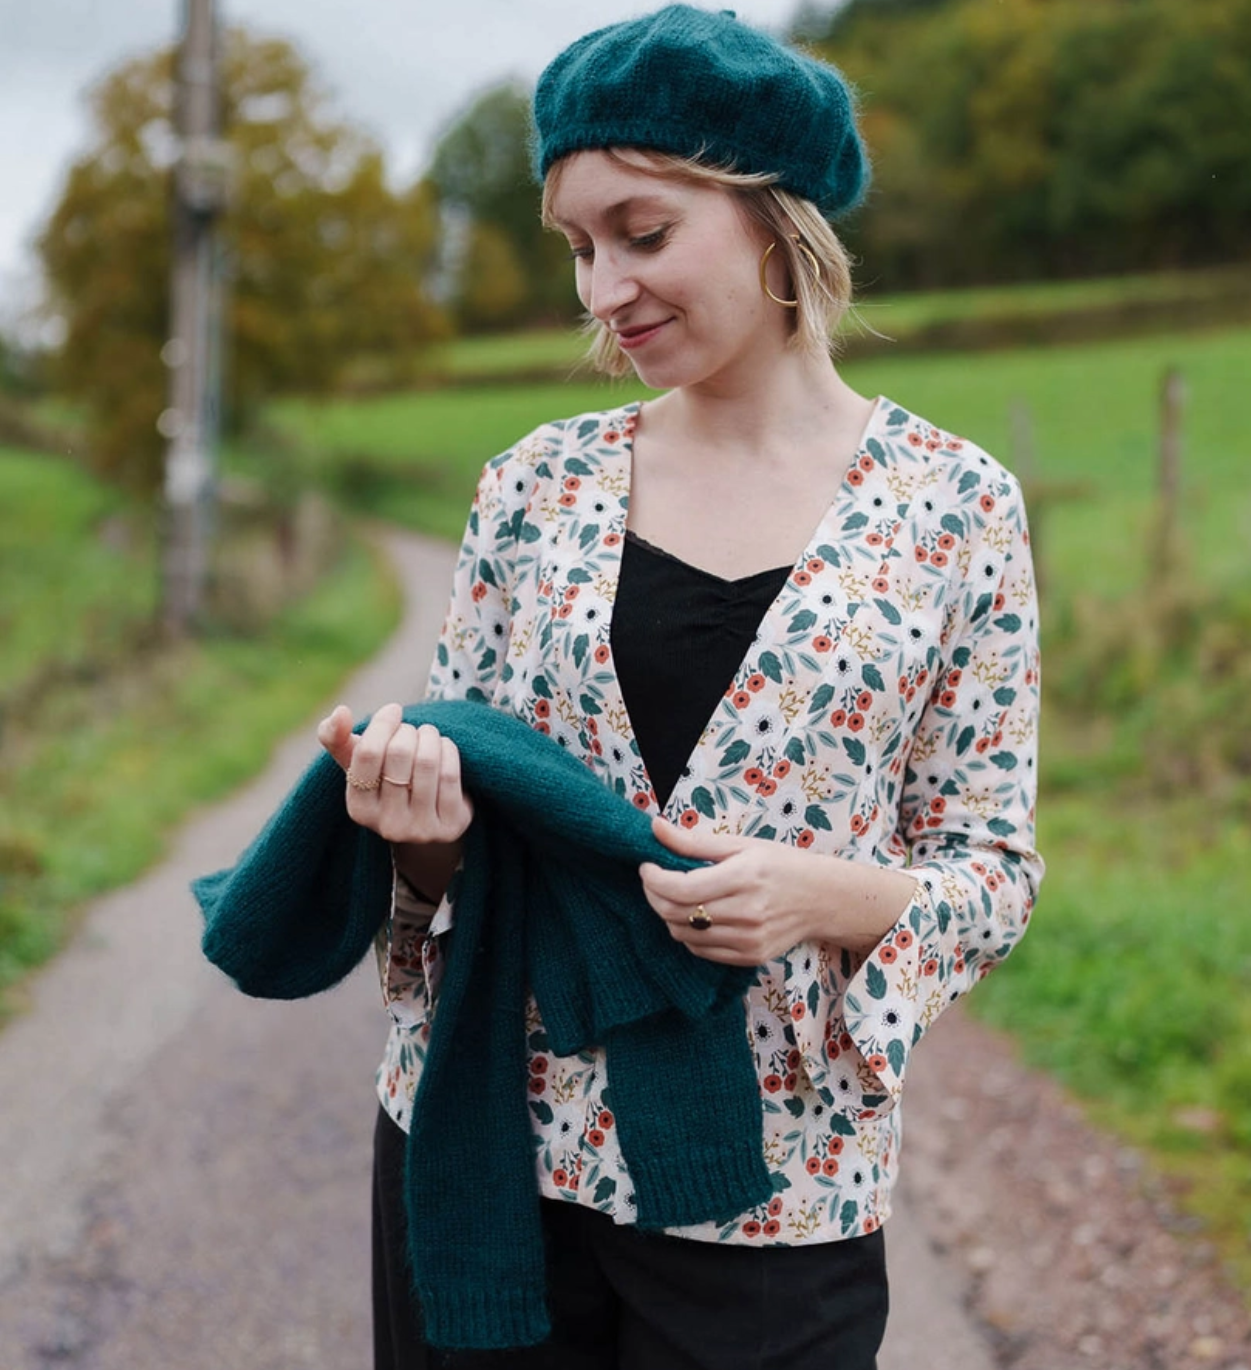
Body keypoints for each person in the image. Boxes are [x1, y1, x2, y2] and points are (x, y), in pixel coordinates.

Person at [316, 7, 1043, 1367]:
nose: (603, 289)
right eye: (578, 248)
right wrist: (417, 832)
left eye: (641, 235)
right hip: (487, 1144)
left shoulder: (956, 509)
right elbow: (450, 860)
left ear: (775, 217)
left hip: (777, 1180)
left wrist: (813, 895)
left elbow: (990, 873)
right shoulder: (535, 485)